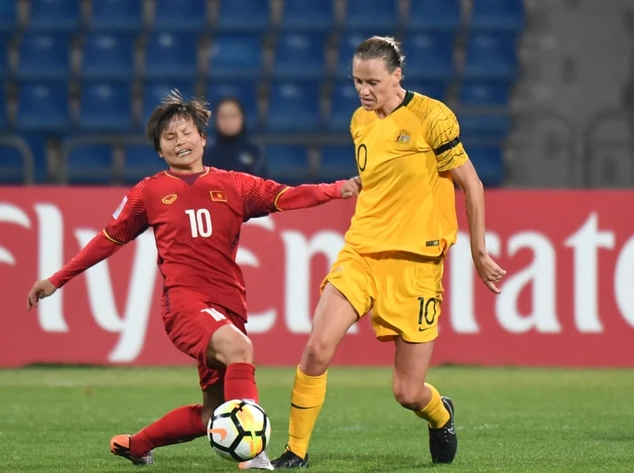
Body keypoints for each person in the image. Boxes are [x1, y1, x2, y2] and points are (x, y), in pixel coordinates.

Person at [26, 90, 361, 470]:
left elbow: (287, 196)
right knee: (240, 350)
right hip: (184, 305)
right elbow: (108, 239)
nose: (179, 141)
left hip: (229, 304)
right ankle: (254, 456)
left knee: (214, 413)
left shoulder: (234, 185)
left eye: (186, 133)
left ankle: (137, 445)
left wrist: (336, 189)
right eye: (169, 137)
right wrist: (57, 279)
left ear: (203, 138)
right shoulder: (149, 192)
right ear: (159, 150)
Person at [269, 36, 506, 469]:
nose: (364, 90)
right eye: (357, 81)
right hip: (362, 252)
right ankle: (295, 451)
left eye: (373, 82)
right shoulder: (359, 120)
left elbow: (471, 184)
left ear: (397, 75)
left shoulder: (432, 117)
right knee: (317, 349)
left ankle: (440, 414)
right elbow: (381, 174)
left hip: (416, 264)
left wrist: (478, 252)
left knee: (407, 392)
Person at [207, 97, 265, 176]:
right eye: (224, 116)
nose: (228, 121)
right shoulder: (206, 151)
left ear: (242, 118)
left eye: (233, 116)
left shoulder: (255, 150)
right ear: (216, 119)